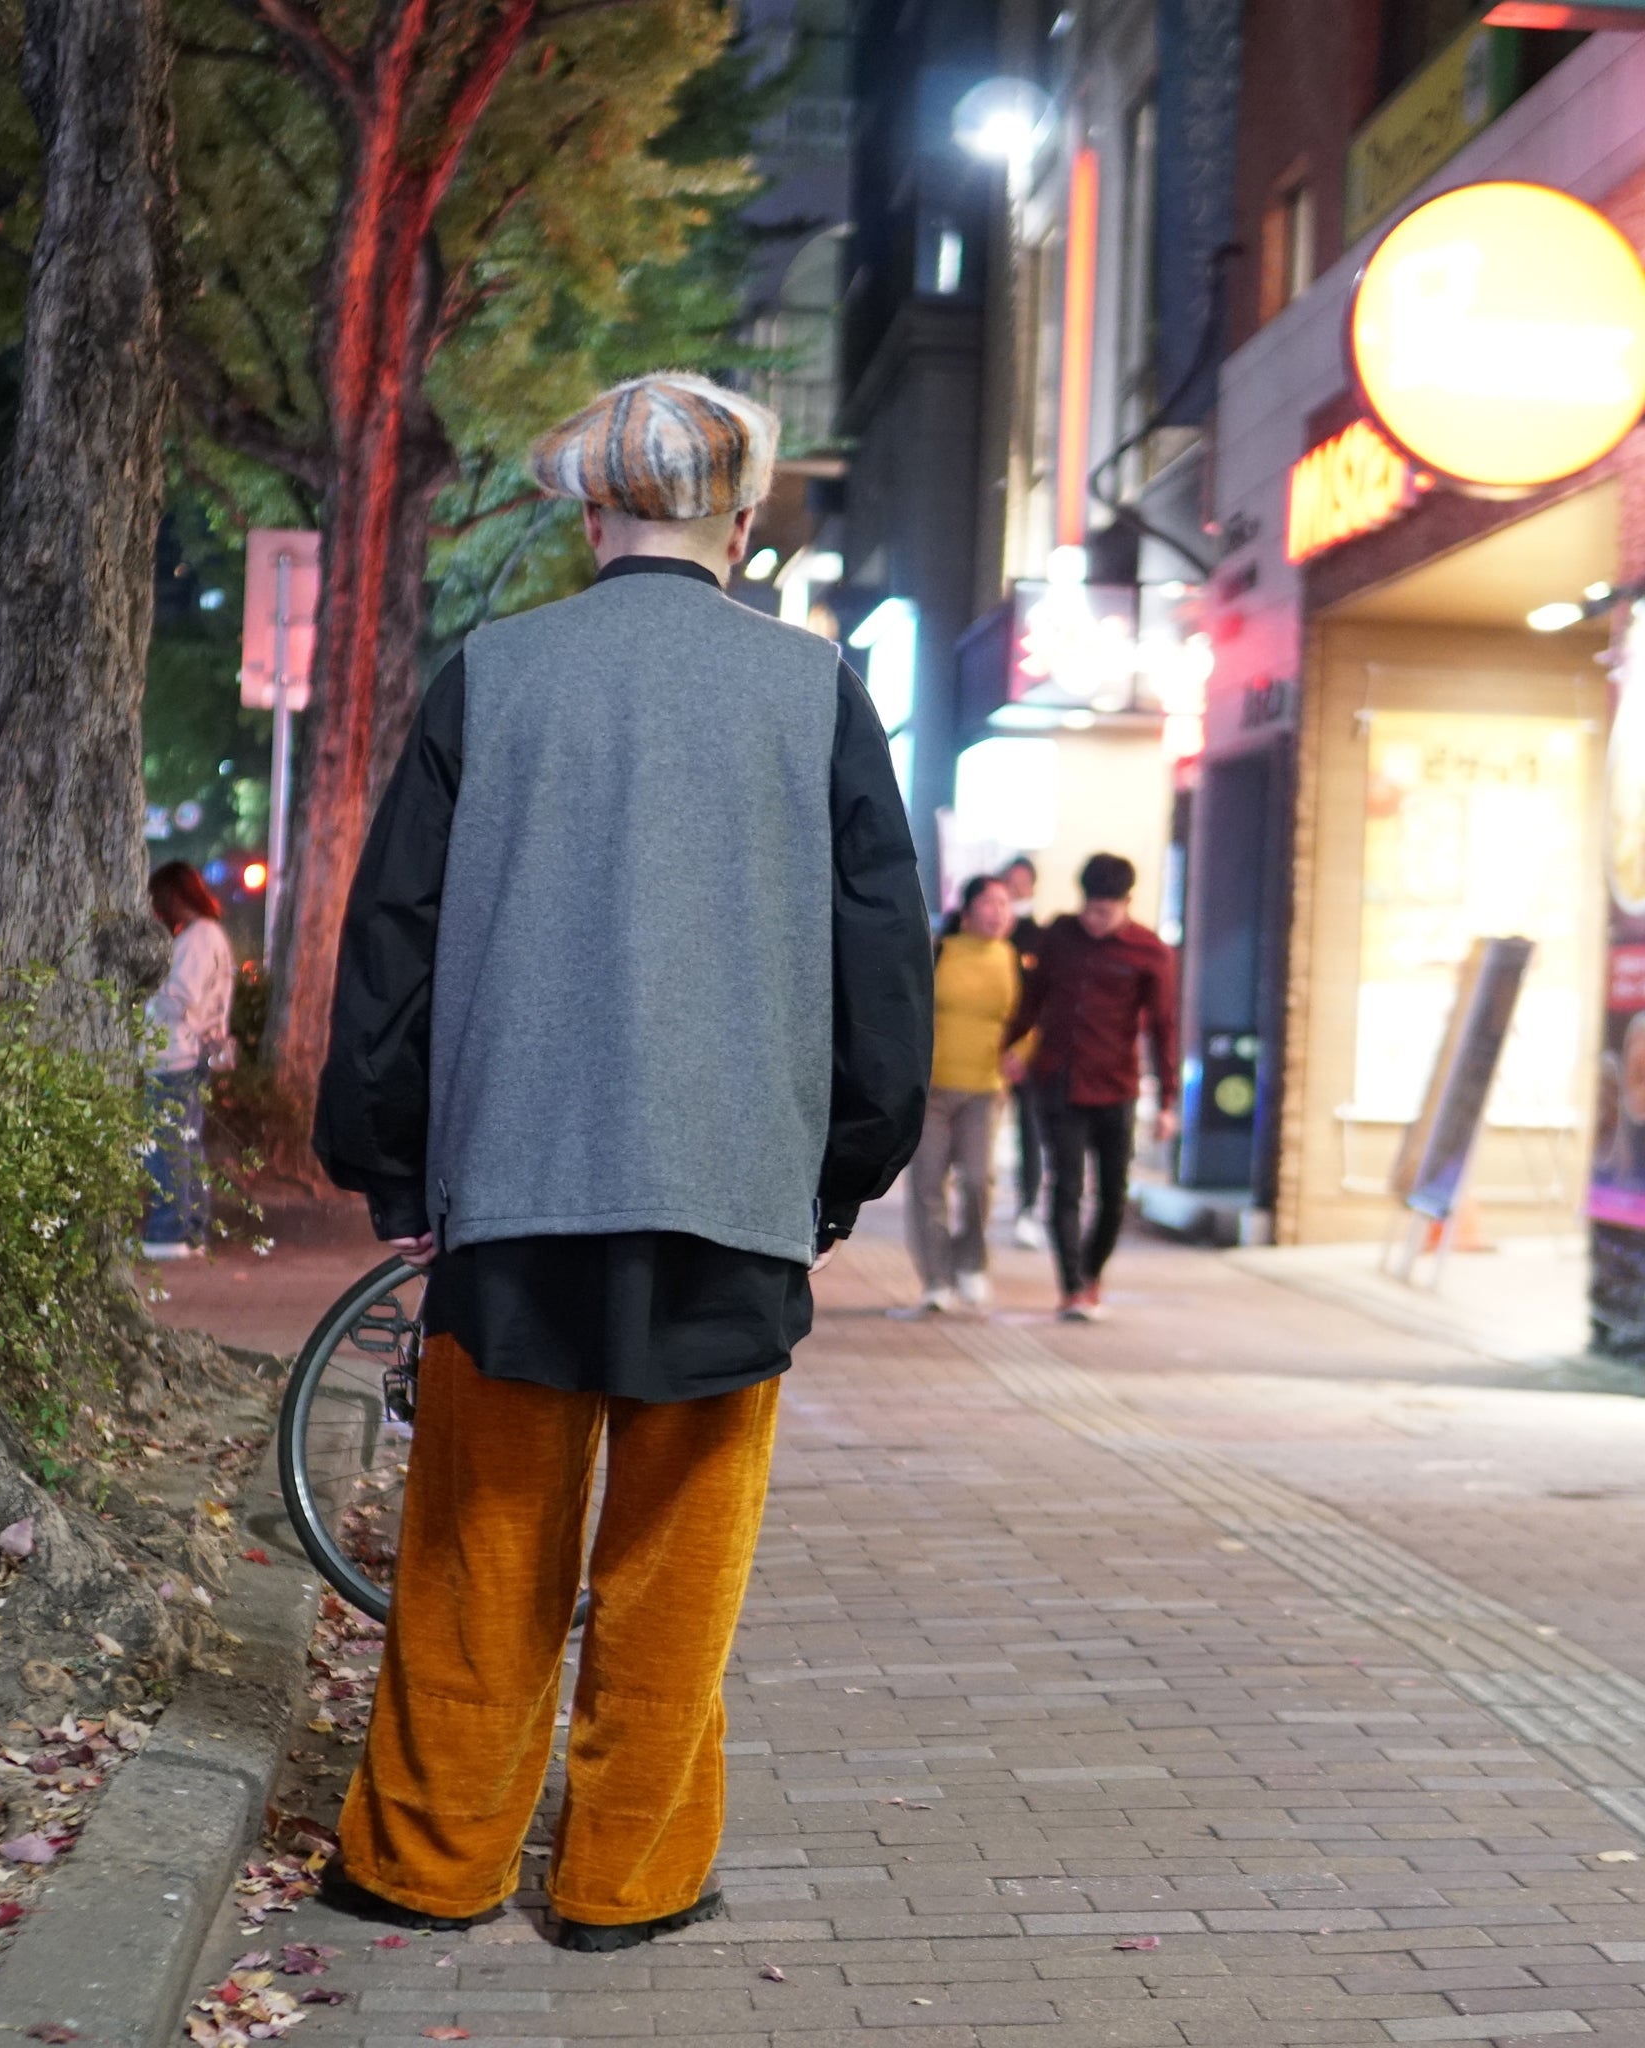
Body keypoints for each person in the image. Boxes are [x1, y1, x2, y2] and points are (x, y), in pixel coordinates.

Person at [313, 373, 932, 1951]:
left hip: (515, 1191)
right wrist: (845, 1168)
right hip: (732, 1194)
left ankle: (428, 1859)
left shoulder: (496, 674)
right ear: (740, 524)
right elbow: (880, 951)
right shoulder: (815, 692)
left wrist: (391, 1162)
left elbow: (396, 933)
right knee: (677, 1575)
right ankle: (623, 1879)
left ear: (591, 514)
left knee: (481, 1550)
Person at [1003, 852, 1177, 1322]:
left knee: (1114, 1194)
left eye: (1106, 912)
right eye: (1090, 909)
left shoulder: (1149, 951)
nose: (1095, 920)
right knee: (1065, 1187)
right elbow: (1031, 1001)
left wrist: (1168, 1101)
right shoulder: (1059, 935)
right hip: (1057, 1080)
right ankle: (1073, 1287)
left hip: (1117, 1086)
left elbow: (1164, 1027)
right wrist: (1010, 1046)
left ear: (1126, 904)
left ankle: (1092, 1271)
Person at [895, 872, 1021, 1315]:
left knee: (978, 1181)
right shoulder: (940, 950)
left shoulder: (1012, 960)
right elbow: (909, 1009)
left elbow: (1024, 1022)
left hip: (984, 1091)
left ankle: (972, 1262)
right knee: (928, 1185)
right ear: (966, 911)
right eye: (989, 903)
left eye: (1005, 905)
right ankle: (936, 1279)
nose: (998, 913)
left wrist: (1019, 1054)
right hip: (932, 1089)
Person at [140, 861, 236, 1259]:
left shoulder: (197, 938)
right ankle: (190, 1230)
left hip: (174, 1053)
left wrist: (145, 991)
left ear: (176, 896)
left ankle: (169, 1231)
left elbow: (180, 996)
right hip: (190, 1051)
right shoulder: (211, 936)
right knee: (185, 1143)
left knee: (167, 1145)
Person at [1000, 855, 1049, 1250]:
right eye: (1008, 883)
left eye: (1022, 884)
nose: (1015, 891)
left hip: (1023, 1054)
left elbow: (1041, 1002)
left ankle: (1028, 1208)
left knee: (1029, 1133)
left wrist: (1022, 1049)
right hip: (980, 1055)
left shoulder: (1039, 938)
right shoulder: (987, 936)